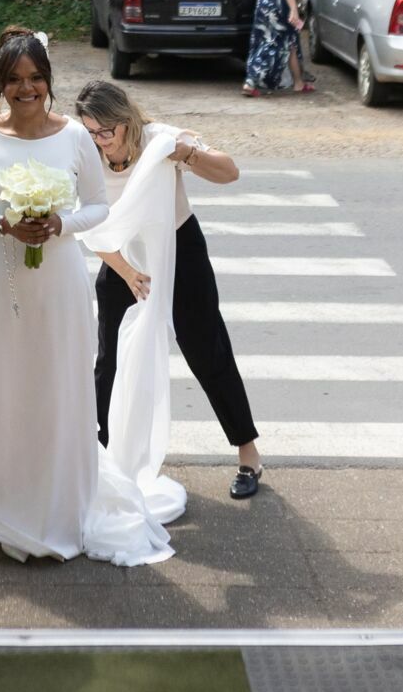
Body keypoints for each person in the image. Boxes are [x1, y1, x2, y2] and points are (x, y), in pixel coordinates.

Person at [0, 27, 172, 566]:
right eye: (15, 81)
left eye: (36, 79)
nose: (27, 89)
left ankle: (60, 507)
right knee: (4, 389)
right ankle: (4, 505)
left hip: (61, 281)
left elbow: (98, 207)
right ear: (2, 86)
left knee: (59, 387)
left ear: (49, 81)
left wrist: (60, 224)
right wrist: (3, 224)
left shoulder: (73, 136)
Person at [73, 81, 267, 500]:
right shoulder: (85, 156)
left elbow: (229, 172)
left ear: (126, 121)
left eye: (106, 132)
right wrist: (126, 271)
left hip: (179, 249)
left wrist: (188, 155)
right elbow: (88, 227)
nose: (100, 142)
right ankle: (99, 458)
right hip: (123, 259)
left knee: (207, 349)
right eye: (91, 133)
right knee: (109, 360)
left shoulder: (160, 138)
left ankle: (248, 455)